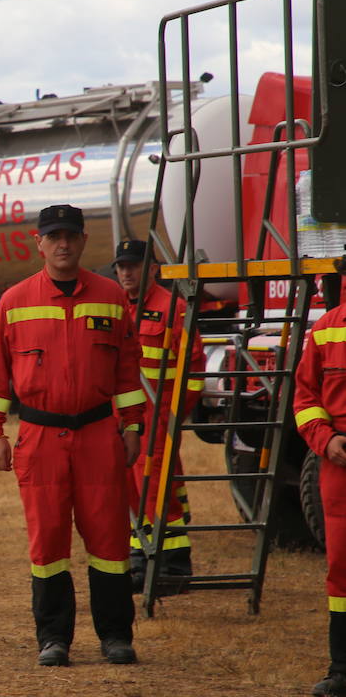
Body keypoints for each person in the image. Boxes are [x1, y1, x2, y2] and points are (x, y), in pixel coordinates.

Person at [0, 204, 146, 667]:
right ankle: (54, 639)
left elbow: (128, 370)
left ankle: (115, 636)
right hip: (40, 437)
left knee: (109, 542)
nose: (62, 244)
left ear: (83, 240)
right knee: (48, 543)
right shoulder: (14, 301)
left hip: (97, 434)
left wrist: (132, 426)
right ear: (40, 243)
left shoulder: (112, 297)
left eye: (70, 235)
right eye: (53, 237)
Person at [113, 238, 206, 588]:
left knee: (157, 490)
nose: (126, 272)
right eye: (121, 267)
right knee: (131, 491)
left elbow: (193, 368)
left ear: (153, 268)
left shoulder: (173, 308)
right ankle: (142, 559)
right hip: (123, 418)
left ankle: (172, 565)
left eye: (133, 265)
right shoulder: (115, 307)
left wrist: (174, 414)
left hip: (158, 416)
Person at [293, 291, 346, 697]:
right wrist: (325, 440)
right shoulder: (326, 329)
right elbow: (306, 398)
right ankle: (342, 667)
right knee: (341, 567)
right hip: (339, 463)